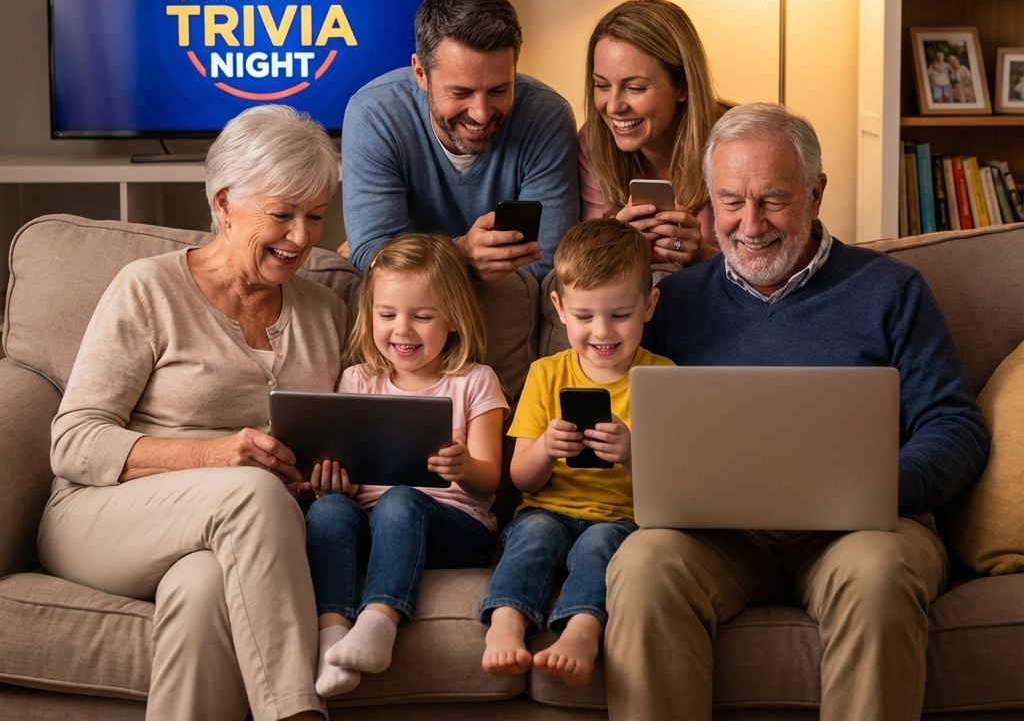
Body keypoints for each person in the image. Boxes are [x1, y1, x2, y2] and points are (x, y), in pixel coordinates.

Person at [602, 102, 989, 721]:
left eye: (772, 200)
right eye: (730, 201)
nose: (749, 224)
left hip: (858, 532)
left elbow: (955, 426)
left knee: (880, 575)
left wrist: (880, 486)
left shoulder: (891, 290)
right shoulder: (667, 303)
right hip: (718, 538)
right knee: (642, 567)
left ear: (816, 192)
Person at [38, 104, 349, 721]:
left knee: (205, 591)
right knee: (251, 493)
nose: (300, 237)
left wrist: (325, 474)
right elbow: (72, 442)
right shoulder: (148, 288)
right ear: (225, 202)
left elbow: (323, 433)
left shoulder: (324, 310)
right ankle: (297, 713)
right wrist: (215, 454)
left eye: (314, 216)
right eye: (280, 214)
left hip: (236, 537)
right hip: (101, 515)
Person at [305, 233, 508, 698]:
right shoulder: (358, 380)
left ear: (454, 319)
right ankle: (333, 636)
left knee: (401, 499)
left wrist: (463, 467)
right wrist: (331, 485)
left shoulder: (475, 381)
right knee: (328, 513)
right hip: (372, 521)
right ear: (370, 315)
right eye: (388, 314)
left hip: (455, 527)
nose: (403, 330)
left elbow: (489, 480)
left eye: (422, 316)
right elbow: (342, 468)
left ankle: (380, 621)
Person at [479, 218, 671, 687]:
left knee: (601, 546)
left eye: (619, 315)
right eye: (584, 317)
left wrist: (632, 452)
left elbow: (674, 489)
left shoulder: (663, 379)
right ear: (559, 309)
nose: (601, 332)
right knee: (535, 537)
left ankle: (581, 634)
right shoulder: (546, 373)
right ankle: (505, 624)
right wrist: (545, 448)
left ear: (649, 305)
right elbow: (521, 479)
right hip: (547, 508)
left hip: (621, 519)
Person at [342, 0, 579, 282]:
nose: (481, 113)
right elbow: (372, 257)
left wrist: (422, 262)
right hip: (411, 309)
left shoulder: (547, 117)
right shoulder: (375, 114)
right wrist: (458, 254)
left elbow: (547, 265)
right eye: (460, 92)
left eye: (499, 89)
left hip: (513, 305)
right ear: (421, 74)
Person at [578, 0, 727, 272]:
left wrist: (705, 257)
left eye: (634, 88)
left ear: (682, 86)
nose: (613, 107)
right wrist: (616, 245)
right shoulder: (593, 142)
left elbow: (774, 270)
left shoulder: (736, 142)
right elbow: (586, 275)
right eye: (601, 85)